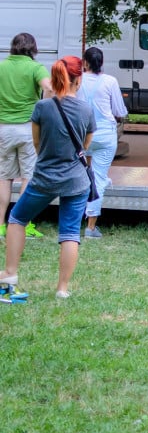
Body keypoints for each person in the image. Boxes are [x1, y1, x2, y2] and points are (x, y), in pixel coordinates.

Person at [0, 56, 94, 299]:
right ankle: (62, 289)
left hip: (44, 177)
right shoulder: (85, 109)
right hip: (76, 179)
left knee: (17, 217)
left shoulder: (42, 107)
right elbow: (85, 145)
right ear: (78, 79)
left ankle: (10, 272)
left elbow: (36, 143)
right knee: (70, 233)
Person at [0, 33, 52, 240]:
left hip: (3, 127)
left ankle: (0, 225)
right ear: (33, 49)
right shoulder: (35, 67)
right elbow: (48, 88)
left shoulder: (2, 66)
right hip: (28, 127)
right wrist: (42, 109)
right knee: (28, 177)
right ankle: (23, 223)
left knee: (4, 178)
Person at [76, 47, 128, 239]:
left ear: (85, 63)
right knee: (98, 179)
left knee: (78, 175)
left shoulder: (78, 80)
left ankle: (73, 218)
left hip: (81, 134)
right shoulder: (110, 81)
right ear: (102, 62)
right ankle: (90, 227)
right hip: (105, 134)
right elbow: (119, 110)